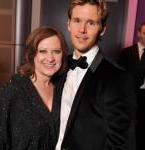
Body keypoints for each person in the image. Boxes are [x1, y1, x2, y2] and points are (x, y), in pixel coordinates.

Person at [55, 0, 137, 150]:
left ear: (103, 29)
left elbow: (122, 145)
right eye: (77, 21)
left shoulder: (119, 79)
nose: (82, 30)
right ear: (68, 24)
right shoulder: (59, 67)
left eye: (91, 23)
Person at [0, 26, 67, 150]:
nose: (50, 58)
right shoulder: (14, 90)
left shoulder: (63, 89)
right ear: (32, 54)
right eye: (43, 51)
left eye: (56, 51)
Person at [118, 22, 145, 150]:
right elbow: (118, 77)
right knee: (128, 129)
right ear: (139, 33)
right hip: (129, 98)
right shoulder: (126, 53)